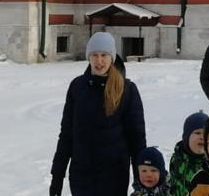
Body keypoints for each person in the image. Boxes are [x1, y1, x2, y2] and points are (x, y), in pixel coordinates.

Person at [51, 32, 147, 196]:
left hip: (113, 177)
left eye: (104, 55)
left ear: (112, 58)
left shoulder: (127, 90)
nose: (99, 61)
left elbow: (137, 140)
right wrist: (57, 176)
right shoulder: (77, 87)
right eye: (94, 55)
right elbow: (66, 134)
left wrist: (142, 183)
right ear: (88, 57)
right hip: (81, 176)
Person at [168, 112, 209, 196]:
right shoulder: (177, 158)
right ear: (186, 137)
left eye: (206, 134)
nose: (202, 137)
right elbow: (172, 182)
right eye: (197, 133)